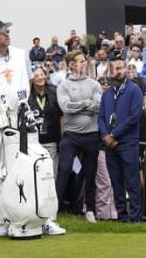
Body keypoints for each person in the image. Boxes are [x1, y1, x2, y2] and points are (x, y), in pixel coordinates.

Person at [0, 19, 65, 237]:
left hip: (23, 116)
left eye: (8, 31)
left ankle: (42, 218)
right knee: (1, 170)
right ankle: (5, 220)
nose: (7, 35)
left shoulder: (21, 54)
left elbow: (28, 82)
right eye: (2, 32)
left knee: (33, 166)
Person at [55, 49, 103, 222]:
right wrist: (86, 104)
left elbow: (99, 106)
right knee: (65, 170)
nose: (84, 63)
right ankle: (54, 209)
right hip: (71, 135)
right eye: (81, 61)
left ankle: (90, 209)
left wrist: (80, 105)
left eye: (85, 61)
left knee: (90, 173)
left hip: (91, 134)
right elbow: (66, 108)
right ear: (71, 65)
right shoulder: (63, 86)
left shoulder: (94, 84)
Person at [97, 58, 143, 222]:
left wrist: (113, 135)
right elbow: (101, 117)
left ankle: (136, 218)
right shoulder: (107, 93)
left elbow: (134, 117)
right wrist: (105, 136)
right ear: (111, 71)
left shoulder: (134, 90)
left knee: (132, 182)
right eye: (116, 68)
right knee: (116, 183)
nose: (119, 71)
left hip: (128, 143)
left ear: (126, 69)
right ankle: (122, 217)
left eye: (121, 67)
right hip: (110, 145)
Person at [27, 67, 62, 177]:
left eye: (42, 74)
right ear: (31, 79)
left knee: (51, 174)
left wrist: (61, 138)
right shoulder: (27, 95)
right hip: (33, 142)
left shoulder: (54, 91)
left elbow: (62, 116)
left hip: (51, 140)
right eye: (36, 76)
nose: (40, 77)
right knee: (36, 174)